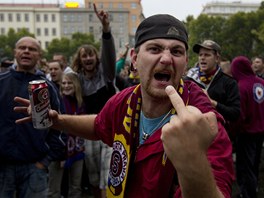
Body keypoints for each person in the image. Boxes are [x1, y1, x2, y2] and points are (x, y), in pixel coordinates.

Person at [14, 14, 234, 198]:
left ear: (185, 63)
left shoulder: (203, 119)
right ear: (135, 60)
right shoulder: (126, 100)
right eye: (155, 49)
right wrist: (58, 121)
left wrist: (192, 159)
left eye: (176, 51)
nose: (166, 59)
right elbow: (100, 125)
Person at [0, 36, 66, 198]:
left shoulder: (48, 87)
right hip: (2, 168)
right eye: (22, 48)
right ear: (15, 52)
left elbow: (60, 126)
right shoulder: (1, 82)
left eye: (32, 49)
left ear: (39, 55)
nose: (26, 51)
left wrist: (44, 162)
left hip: (34, 168)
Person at [71, 3, 115, 198]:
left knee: (108, 175)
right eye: (84, 56)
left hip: (110, 129)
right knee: (94, 177)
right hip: (90, 130)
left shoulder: (106, 74)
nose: (88, 58)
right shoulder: (77, 79)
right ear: (80, 60)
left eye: (91, 54)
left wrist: (105, 29)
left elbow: (109, 53)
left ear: (96, 58)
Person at [186, 40, 240, 140]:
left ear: (217, 58)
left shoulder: (229, 83)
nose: (202, 58)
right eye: (200, 54)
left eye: (207, 55)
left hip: (219, 139)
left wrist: (212, 103)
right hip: (193, 138)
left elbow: (235, 113)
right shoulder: (189, 80)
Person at [230, 56, 264, 198]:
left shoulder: (241, 86)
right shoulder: (261, 83)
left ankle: (248, 194)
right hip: (261, 131)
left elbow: (240, 114)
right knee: (255, 163)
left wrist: (233, 132)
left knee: (245, 167)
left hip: (246, 133)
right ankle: (253, 188)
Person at [48, 72, 86, 198]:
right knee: (54, 191)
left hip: (77, 151)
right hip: (59, 152)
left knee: (76, 188)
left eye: (69, 83)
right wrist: (61, 154)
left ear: (76, 85)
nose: (66, 86)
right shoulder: (57, 102)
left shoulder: (81, 103)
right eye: (63, 83)